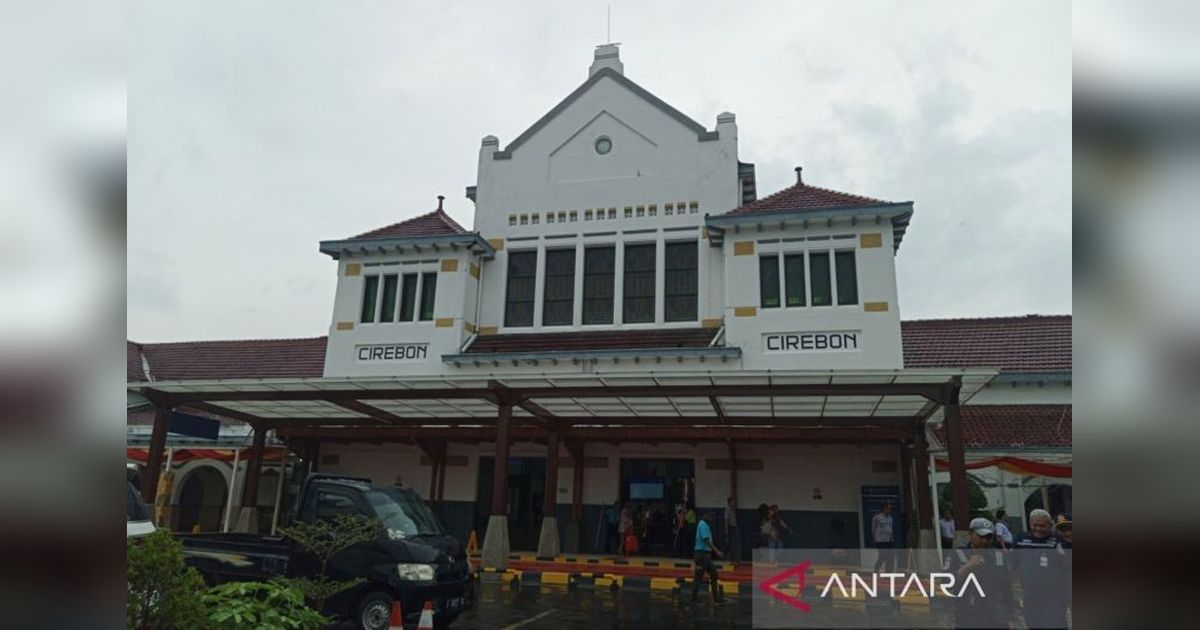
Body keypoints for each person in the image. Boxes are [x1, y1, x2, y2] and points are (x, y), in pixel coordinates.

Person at [943, 517, 1012, 628]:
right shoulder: (957, 554)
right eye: (980, 536)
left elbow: (1007, 589)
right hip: (968, 617)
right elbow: (945, 583)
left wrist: (1010, 616)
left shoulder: (999, 557)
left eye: (988, 537)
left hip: (996, 617)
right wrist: (967, 567)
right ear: (970, 534)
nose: (984, 541)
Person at [1013, 509, 1069, 629]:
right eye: (1035, 525)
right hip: (1030, 598)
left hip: (1054, 599)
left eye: (1042, 525)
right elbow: (1013, 564)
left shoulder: (1058, 541)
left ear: (1049, 525)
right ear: (1030, 523)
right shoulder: (1021, 540)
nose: (1038, 529)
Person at [690, 510, 725, 604]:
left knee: (714, 574)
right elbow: (706, 540)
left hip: (706, 555)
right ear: (705, 515)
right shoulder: (702, 525)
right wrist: (717, 551)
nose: (711, 517)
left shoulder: (705, 525)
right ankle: (693, 599)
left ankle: (716, 598)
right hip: (701, 554)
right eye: (710, 515)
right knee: (698, 577)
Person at [871, 502, 896, 572]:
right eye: (888, 508)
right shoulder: (877, 518)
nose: (889, 510)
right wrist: (874, 539)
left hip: (890, 540)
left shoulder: (890, 517)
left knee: (891, 556)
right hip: (881, 540)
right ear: (884, 508)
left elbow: (891, 528)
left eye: (890, 509)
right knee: (883, 556)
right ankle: (877, 568)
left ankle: (889, 572)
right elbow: (873, 529)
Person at [724, 496, 740, 563]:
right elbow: (726, 520)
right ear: (729, 502)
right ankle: (728, 558)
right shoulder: (727, 509)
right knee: (730, 544)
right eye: (733, 501)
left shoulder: (732, 509)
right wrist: (727, 531)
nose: (734, 503)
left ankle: (734, 558)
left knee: (735, 543)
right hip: (730, 528)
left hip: (734, 527)